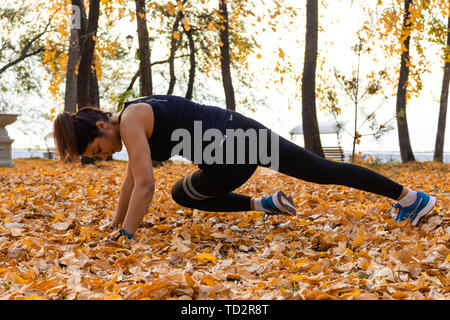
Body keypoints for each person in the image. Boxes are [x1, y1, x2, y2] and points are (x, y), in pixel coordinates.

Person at [52, 95, 437, 241]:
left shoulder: (133, 118)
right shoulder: (133, 116)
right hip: (241, 138)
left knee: (178, 193)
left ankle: (411, 198)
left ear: (102, 125)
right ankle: (410, 197)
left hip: (233, 148)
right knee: (322, 170)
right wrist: (116, 226)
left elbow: (144, 186)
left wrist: (127, 236)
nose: (103, 156)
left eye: (98, 150)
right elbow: (131, 182)